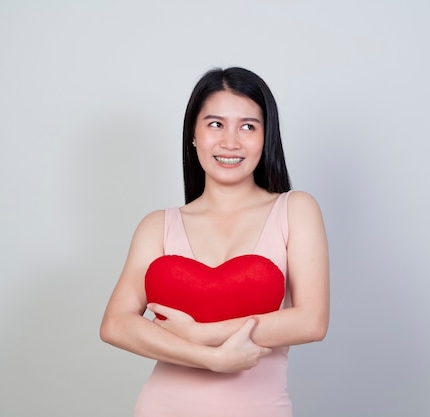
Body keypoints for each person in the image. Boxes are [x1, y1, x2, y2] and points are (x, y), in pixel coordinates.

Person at [100, 67, 330, 417]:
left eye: (248, 126)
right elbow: (115, 324)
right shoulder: (157, 226)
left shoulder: (295, 209)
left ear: (266, 136)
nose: (230, 142)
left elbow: (311, 321)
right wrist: (211, 357)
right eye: (215, 124)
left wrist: (201, 334)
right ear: (193, 134)